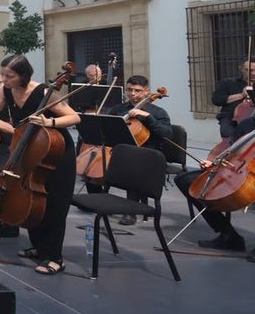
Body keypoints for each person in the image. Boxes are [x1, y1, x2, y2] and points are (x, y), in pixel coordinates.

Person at [0, 54, 80, 276]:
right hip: (31, 149)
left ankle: (55, 257)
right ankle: (39, 247)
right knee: (32, 199)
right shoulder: (6, 91)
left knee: (54, 205)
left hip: (55, 151)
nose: (4, 79)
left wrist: (49, 121)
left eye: (9, 76)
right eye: (2, 74)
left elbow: (74, 118)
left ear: (23, 76)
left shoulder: (44, 91)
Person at [176, 109, 255, 260]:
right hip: (242, 170)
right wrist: (214, 163)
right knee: (186, 181)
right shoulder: (248, 124)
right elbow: (231, 151)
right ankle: (228, 234)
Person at [102, 75, 173, 224]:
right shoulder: (119, 109)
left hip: (150, 154)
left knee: (133, 161)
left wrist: (148, 118)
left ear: (147, 92)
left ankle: (130, 212)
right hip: (121, 151)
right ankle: (99, 201)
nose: (132, 94)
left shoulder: (158, 112)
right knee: (98, 162)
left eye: (137, 90)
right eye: (129, 90)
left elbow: (167, 134)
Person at [211, 60, 254, 138]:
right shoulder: (228, 83)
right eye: (249, 70)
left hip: (252, 118)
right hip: (231, 117)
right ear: (241, 69)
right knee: (228, 134)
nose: (253, 73)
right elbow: (216, 100)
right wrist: (241, 95)